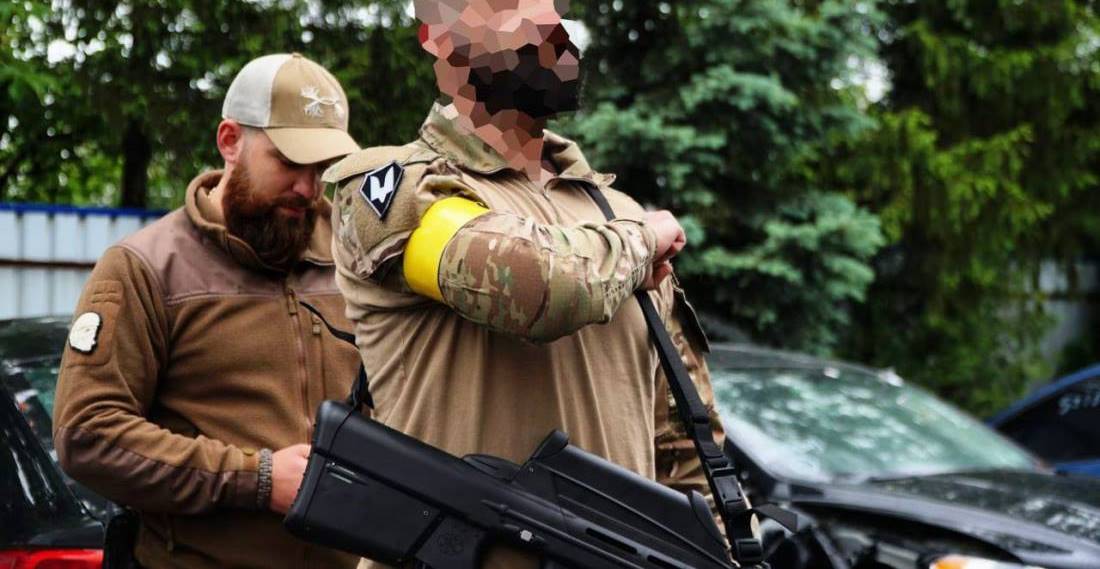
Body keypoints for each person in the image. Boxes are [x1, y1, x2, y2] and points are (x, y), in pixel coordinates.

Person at [324, 1, 732, 568]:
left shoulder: (615, 210)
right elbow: (537, 289)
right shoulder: (393, 191)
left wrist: (722, 549)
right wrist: (642, 239)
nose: (548, 23)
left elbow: (684, 440)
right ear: (437, 38)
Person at [52, 53, 362, 569]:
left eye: (320, 169)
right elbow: (88, 433)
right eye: (288, 162)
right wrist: (257, 478)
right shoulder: (145, 268)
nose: (308, 189)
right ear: (230, 141)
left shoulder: (357, 261)